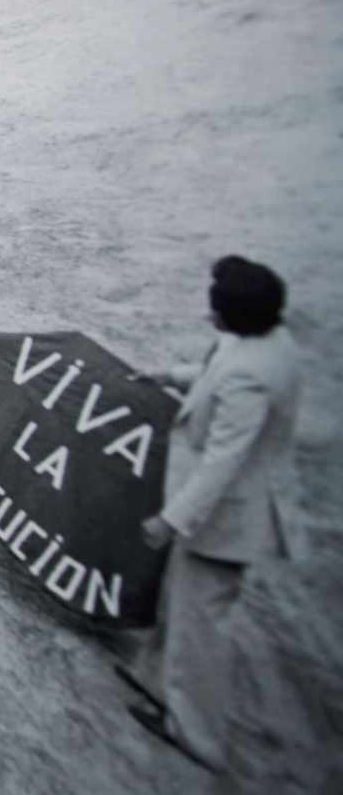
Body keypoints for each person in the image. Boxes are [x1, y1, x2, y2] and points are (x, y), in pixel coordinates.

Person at [119, 255, 303, 772]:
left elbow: (225, 462)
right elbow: (214, 371)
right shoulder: (268, 343)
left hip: (227, 519)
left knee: (203, 621)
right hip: (221, 511)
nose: (210, 316)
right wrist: (170, 376)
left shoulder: (252, 378)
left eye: (217, 308)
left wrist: (171, 518)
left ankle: (196, 731)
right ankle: (156, 679)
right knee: (181, 598)